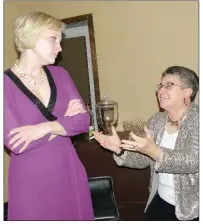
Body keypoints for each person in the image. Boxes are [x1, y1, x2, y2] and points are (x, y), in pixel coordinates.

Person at [4, 12, 94, 220]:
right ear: (31, 36)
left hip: (69, 171)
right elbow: (17, 143)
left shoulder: (60, 75)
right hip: (30, 181)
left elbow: (83, 122)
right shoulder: (4, 85)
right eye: (53, 38)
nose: (60, 47)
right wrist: (64, 122)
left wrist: (43, 128)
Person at [94, 66, 199, 221]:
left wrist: (155, 151)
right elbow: (143, 159)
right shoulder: (157, 120)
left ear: (187, 92)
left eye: (168, 85)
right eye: (160, 86)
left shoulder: (197, 120)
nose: (160, 91)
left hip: (193, 209)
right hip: (161, 201)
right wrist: (119, 149)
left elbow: (193, 162)